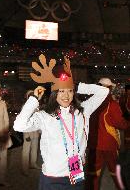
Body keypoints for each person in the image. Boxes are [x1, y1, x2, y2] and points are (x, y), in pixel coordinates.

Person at [13, 54, 109, 190]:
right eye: (61, 91)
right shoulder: (45, 116)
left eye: (70, 91)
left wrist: (78, 86)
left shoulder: (82, 111)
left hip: (76, 174)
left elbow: (104, 91)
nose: (66, 95)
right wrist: (34, 99)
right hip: (53, 177)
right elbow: (19, 125)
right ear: (55, 94)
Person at [86, 78, 130, 190]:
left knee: (93, 174)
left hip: (93, 144)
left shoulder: (90, 103)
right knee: (117, 172)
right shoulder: (111, 104)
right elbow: (121, 124)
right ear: (109, 88)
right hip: (109, 145)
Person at [0, 84, 12, 187]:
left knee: (4, 158)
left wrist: (5, 131)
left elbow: (6, 118)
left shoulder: (3, 103)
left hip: (2, 133)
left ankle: (2, 180)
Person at [22, 90, 41, 175]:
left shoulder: (37, 106)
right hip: (28, 132)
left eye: (33, 95)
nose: (32, 96)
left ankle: (33, 164)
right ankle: (24, 168)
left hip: (35, 130)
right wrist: (26, 135)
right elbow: (23, 121)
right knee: (26, 150)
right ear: (27, 97)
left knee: (35, 148)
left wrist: (40, 130)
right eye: (30, 95)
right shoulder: (25, 107)